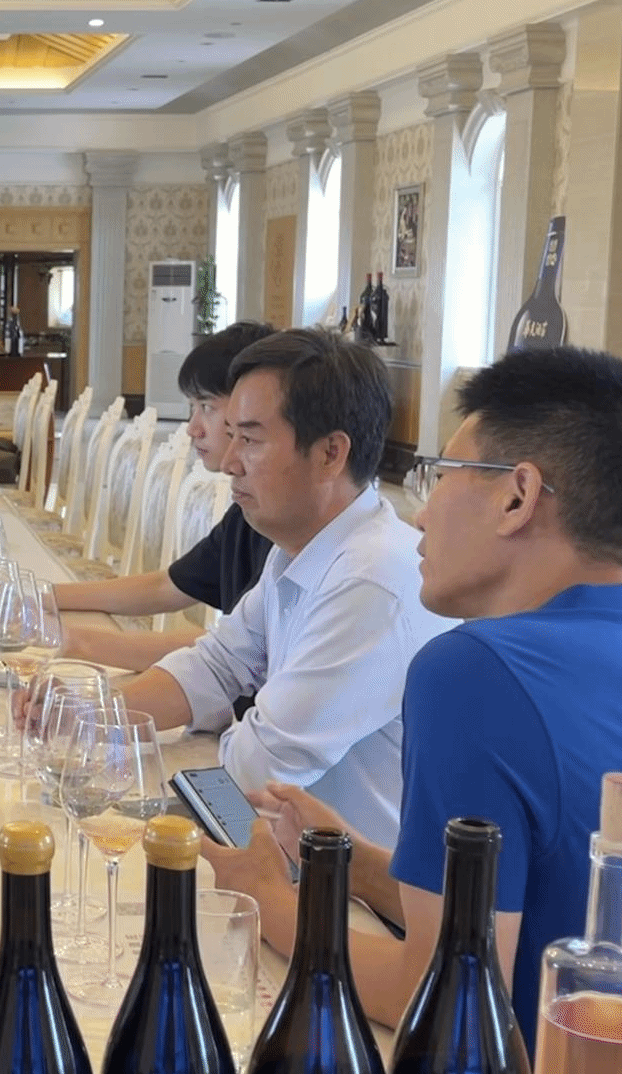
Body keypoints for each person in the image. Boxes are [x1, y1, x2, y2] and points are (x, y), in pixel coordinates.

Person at [201, 347, 622, 1074]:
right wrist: (359, 868)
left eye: (440, 475)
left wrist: (268, 900)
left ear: (518, 497)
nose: (421, 513)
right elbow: (533, 905)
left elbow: (431, 996)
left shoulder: (475, 669)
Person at [119, 329, 455, 847]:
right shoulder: (301, 547)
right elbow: (215, 665)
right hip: (284, 845)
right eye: (231, 436)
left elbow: (260, 767)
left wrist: (222, 733)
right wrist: (92, 717)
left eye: (250, 440)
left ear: (330, 453)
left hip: (348, 882)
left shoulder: (373, 580)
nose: (229, 462)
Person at [55, 321, 276, 676]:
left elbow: (237, 654)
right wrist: (45, 598)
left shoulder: (290, 528)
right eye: (192, 407)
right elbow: (168, 585)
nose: (192, 428)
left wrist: (72, 641)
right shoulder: (247, 513)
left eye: (206, 406)